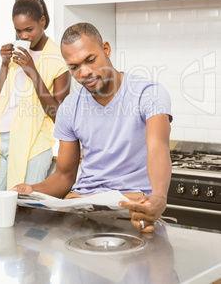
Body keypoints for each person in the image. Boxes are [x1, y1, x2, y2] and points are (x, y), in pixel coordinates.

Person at [12, 22, 172, 232]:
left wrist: (159, 197)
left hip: (132, 203)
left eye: (90, 60)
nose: (85, 72)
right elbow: (64, 176)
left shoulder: (148, 93)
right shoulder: (70, 107)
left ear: (106, 49)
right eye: (74, 67)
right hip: (82, 206)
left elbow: (158, 148)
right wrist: (31, 191)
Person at [0, 0, 70, 198]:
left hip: (33, 145)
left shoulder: (58, 58)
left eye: (29, 29)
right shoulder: (16, 55)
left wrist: (33, 72)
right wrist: (4, 64)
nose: (23, 36)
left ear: (42, 22)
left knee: (24, 210)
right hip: (1, 143)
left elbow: (60, 115)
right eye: (18, 30)